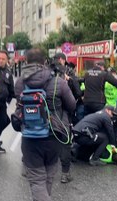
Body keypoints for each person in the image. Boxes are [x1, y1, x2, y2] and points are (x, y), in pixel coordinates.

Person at [14, 48, 76, 201]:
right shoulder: (58, 82)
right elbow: (72, 105)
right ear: (45, 62)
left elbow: (19, 104)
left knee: (37, 179)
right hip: (54, 136)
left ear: (26, 62)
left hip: (31, 138)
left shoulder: (20, 83)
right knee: (47, 177)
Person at [53, 53, 81, 183]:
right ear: (62, 60)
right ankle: (65, 173)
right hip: (63, 112)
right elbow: (77, 94)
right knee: (65, 141)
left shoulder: (46, 72)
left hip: (47, 112)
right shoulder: (68, 74)